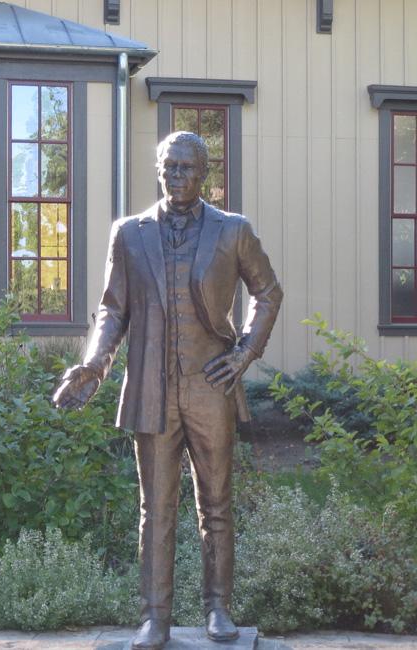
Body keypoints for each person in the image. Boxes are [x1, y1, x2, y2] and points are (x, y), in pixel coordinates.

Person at [53, 131, 283, 650]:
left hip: (210, 389)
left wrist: (244, 354)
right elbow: (113, 308)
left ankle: (218, 609)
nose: (177, 176)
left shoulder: (233, 231)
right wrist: (93, 365)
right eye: (169, 167)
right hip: (151, 389)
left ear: (204, 175)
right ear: (158, 169)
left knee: (216, 504)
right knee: (154, 509)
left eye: (187, 168)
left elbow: (268, 292)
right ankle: (155, 616)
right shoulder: (129, 233)